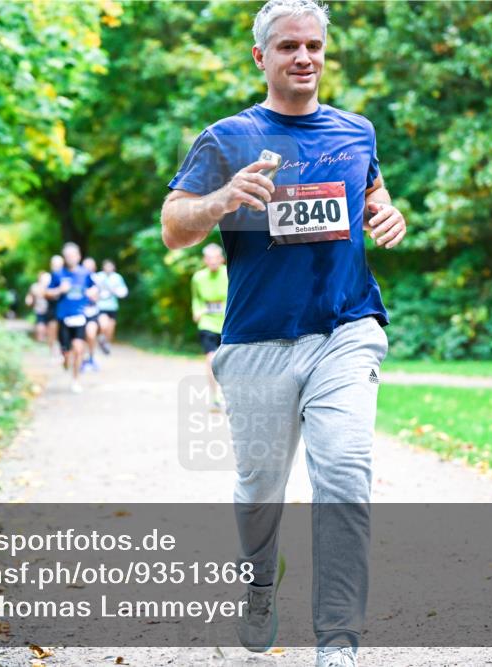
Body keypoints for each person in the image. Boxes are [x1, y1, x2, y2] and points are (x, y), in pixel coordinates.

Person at [160, 1, 407, 665]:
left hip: (346, 328)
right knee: (259, 492)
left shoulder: (356, 130)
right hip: (258, 341)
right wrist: (221, 199)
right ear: (260, 58)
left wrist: (387, 213)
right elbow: (173, 225)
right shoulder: (228, 138)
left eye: (314, 46)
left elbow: (372, 190)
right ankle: (259, 586)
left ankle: (338, 641)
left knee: (346, 474)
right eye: (289, 46)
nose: (304, 57)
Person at [46, 243, 98, 393]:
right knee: (67, 352)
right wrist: (59, 290)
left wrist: (91, 292)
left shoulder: (85, 273)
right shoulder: (58, 274)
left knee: (79, 348)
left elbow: (95, 288)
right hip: (63, 317)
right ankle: (65, 358)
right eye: (67, 256)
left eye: (73, 255)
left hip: (80, 316)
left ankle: (76, 380)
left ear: (78, 256)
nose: (70, 258)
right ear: (64, 258)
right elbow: (46, 292)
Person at [190, 244, 228, 410]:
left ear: (221, 259)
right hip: (207, 323)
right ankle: (216, 397)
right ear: (205, 260)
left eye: (216, 258)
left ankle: (228, 394)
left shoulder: (229, 273)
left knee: (228, 362)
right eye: (209, 258)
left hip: (227, 324)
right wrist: (197, 311)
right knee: (211, 360)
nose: (213, 261)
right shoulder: (198, 277)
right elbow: (196, 298)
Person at [94, 259, 129, 354]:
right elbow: (94, 290)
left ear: (113, 268)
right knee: (103, 325)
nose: (108, 268)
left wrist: (116, 292)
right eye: (107, 266)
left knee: (111, 327)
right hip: (101, 306)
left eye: (110, 266)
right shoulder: (98, 276)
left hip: (113, 307)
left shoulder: (117, 277)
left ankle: (106, 343)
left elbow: (123, 291)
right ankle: (101, 337)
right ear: (103, 267)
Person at [80, 257, 101, 372]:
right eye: (86, 266)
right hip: (79, 313)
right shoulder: (77, 277)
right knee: (81, 338)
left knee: (91, 335)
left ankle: (92, 358)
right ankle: (82, 360)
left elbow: (96, 295)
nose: (88, 268)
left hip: (92, 312)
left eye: (90, 266)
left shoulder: (96, 279)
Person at [24, 271, 52, 343]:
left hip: (43, 308)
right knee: (43, 324)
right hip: (42, 308)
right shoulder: (39, 286)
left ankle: (41, 340)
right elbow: (30, 297)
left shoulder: (35, 286)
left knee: (42, 323)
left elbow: (29, 297)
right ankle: (42, 339)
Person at [47, 254, 64, 362]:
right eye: (54, 264)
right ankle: (53, 354)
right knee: (52, 331)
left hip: (64, 308)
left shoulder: (66, 275)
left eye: (58, 264)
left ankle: (63, 353)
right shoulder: (48, 277)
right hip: (52, 308)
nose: (56, 266)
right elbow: (45, 292)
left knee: (63, 332)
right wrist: (59, 290)